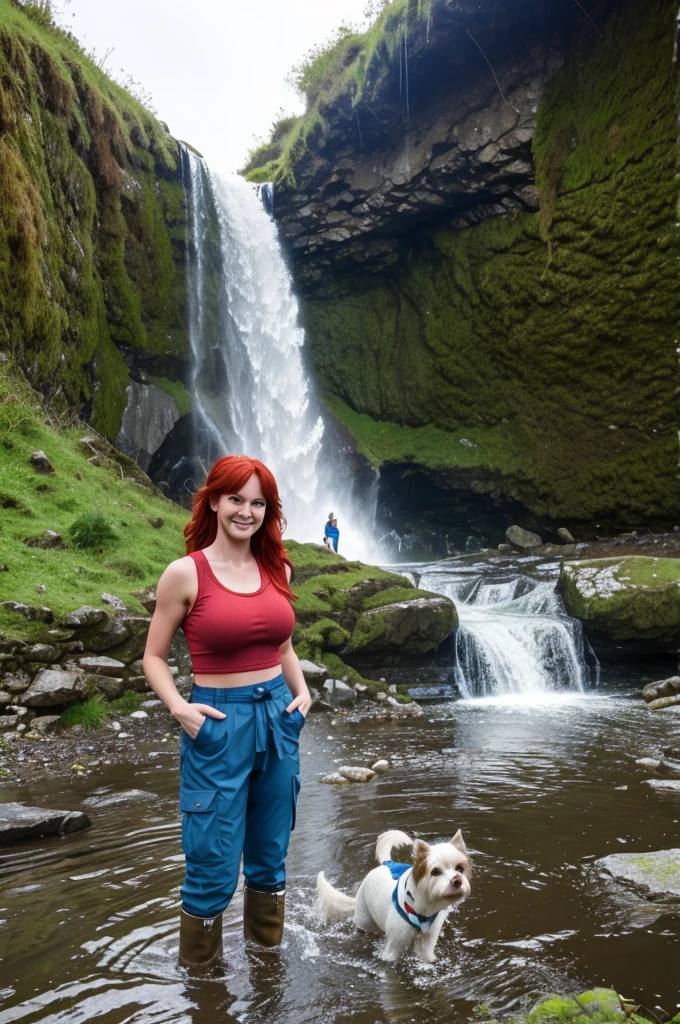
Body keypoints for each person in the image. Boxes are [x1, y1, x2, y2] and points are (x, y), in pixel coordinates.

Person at [143, 454, 312, 968]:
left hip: (279, 718)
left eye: (258, 502)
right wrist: (181, 709)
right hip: (217, 721)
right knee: (212, 862)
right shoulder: (185, 574)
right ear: (214, 500)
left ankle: (267, 972)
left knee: (269, 856)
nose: (247, 511)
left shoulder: (276, 566)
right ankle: (203, 988)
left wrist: (301, 694)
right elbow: (152, 656)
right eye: (236, 499)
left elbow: (282, 647)